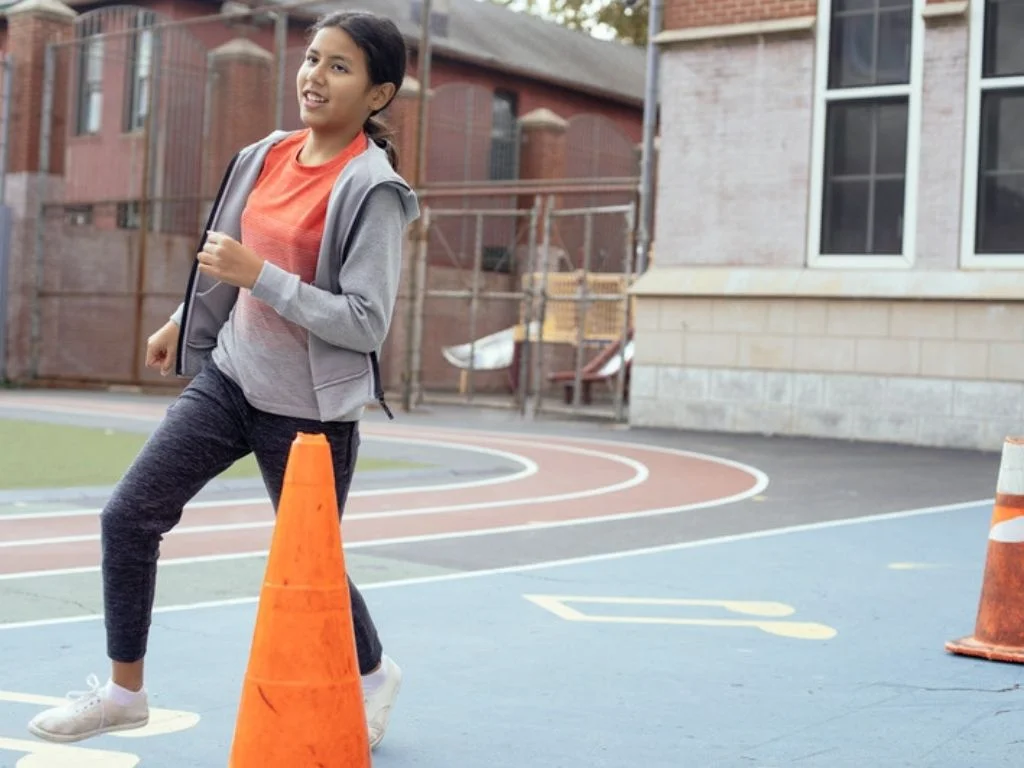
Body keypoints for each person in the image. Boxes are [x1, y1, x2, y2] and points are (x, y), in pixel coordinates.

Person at [26, 9, 418, 752]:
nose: (314, 76)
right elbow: (227, 263)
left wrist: (260, 278)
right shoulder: (265, 155)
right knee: (128, 516)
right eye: (312, 58)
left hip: (310, 414)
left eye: (340, 67)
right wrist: (185, 315)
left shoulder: (376, 191)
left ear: (378, 95)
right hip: (232, 379)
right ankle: (123, 693)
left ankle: (373, 673)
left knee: (314, 565)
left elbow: (365, 323)